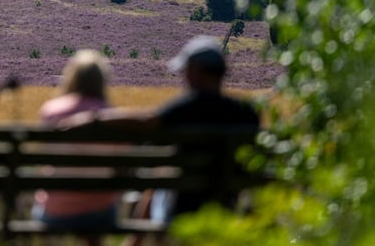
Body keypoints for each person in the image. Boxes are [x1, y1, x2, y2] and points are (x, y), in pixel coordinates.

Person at [68, 35, 259, 222]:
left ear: (197, 71)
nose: (184, 77)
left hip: (183, 209)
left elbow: (145, 121)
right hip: (228, 208)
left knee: (156, 187)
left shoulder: (184, 110)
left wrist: (94, 119)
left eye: (186, 71)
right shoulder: (246, 113)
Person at [32, 50, 119, 244]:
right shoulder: (114, 117)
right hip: (101, 212)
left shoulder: (51, 112)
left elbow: (46, 157)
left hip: (56, 210)